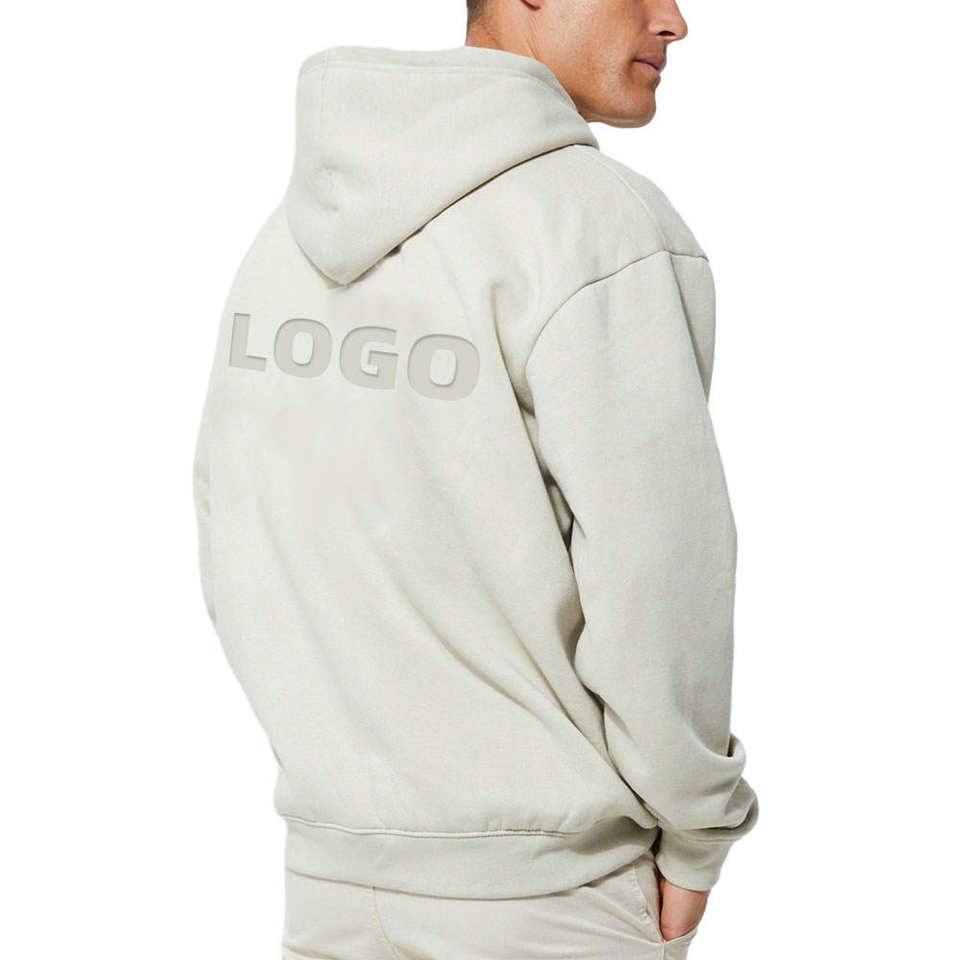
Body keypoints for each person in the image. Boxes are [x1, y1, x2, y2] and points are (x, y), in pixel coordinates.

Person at [192, 0, 758, 956]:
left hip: (333, 883)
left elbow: (237, 524)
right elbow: (660, 576)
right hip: (547, 896)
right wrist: (699, 830)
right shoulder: (595, 227)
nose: (673, 21)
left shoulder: (286, 239)